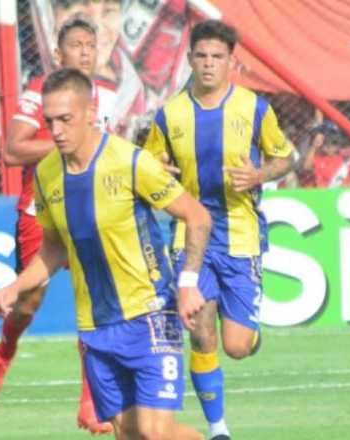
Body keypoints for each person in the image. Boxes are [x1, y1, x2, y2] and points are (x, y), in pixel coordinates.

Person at [0, 68, 210, 440]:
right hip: (95, 328)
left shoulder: (129, 161)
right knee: (129, 434)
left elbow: (197, 216)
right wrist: (16, 287)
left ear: (90, 112)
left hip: (150, 313)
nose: (56, 130)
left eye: (65, 119)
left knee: (156, 433)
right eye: (49, 121)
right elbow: (53, 249)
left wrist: (188, 283)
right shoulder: (45, 176)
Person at [142, 20, 295, 440]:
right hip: (191, 237)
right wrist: (158, 171)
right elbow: (148, 163)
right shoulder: (169, 114)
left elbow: (287, 157)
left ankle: (250, 335)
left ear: (231, 62)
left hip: (241, 234)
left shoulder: (254, 108)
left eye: (217, 57)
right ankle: (219, 429)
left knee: (237, 347)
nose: (208, 64)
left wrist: (260, 173)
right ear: (190, 59)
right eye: (201, 56)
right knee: (200, 331)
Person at [0, 16, 120, 434]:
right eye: (75, 45)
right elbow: (12, 149)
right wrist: (67, 141)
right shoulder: (38, 90)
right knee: (29, 302)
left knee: (94, 302)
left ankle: (90, 402)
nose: (85, 52)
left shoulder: (108, 95)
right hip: (41, 211)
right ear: (58, 54)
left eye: (90, 45)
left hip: (92, 211)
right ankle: (6, 348)